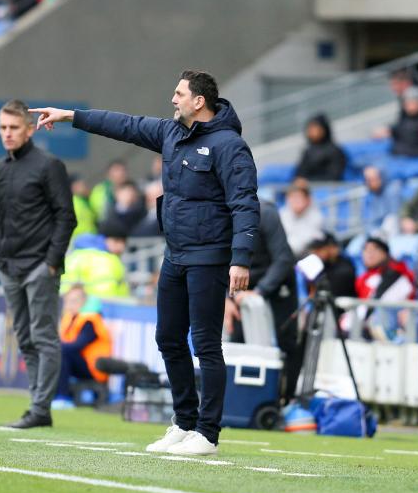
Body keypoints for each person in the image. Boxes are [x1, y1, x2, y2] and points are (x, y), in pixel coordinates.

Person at [31, 69, 259, 456]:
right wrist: (70, 115)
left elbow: (245, 203)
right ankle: (184, 422)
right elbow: (123, 125)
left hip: (209, 257)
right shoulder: (170, 133)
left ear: (198, 101)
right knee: (168, 338)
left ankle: (208, 433)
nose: (173, 99)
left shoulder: (229, 146)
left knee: (205, 344)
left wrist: (241, 259)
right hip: (175, 254)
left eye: (179, 93)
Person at [0, 99, 76, 429]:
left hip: (40, 266)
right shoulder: (1, 169)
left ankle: (41, 408)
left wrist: (52, 262)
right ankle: (35, 404)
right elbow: (0, 218)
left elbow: (66, 217)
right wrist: (0, 259)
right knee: (25, 338)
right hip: (10, 266)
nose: (8, 134)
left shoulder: (48, 166)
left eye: (14, 128)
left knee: (43, 337)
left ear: (30, 129)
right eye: (3, 128)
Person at [224, 199, 299, 404]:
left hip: (276, 283)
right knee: (238, 341)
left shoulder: (266, 213)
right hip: (240, 285)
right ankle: (240, 403)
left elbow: (283, 259)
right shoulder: (217, 213)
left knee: (284, 344)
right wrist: (226, 298)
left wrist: (260, 292)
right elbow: (217, 258)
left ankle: (285, 401)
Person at [55, 285, 112, 408]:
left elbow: (77, 346)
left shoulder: (90, 320)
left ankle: (62, 398)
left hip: (95, 368)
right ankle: (50, 395)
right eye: (68, 301)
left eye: (74, 301)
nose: (70, 304)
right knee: (54, 353)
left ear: (83, 302)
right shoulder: (69, 318)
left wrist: (53, 346)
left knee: (61, 352)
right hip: (81, 363)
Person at [60, 232, 130, 299]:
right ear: (106, 239)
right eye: (117, 241)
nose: (121, 247)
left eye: (123, 243)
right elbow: (106, 293)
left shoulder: (73, 256)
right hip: (99, 307)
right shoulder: (109, 260)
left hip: (66, 304)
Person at [293, 114, 347, 181]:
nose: (311, 131)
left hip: (327, 189)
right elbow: (299, 174)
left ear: (324, 129)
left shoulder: (335, 151)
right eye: (310, 128)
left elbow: (334, 176)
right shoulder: (307, 152)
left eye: (315, 128)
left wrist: (308, 183)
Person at [280, 177, 323, 259]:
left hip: (306, 258)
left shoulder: (316, 217)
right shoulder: (282, 215)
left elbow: (308, 241)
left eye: (298, 197)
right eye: (292, 197)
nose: (295, 201)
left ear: (308, 200)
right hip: (285, 258)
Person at [69, 173, 97, 240]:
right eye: (79, 184)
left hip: (90, 237)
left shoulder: (86, 200)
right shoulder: (71, 202)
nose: (84, 187)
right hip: (77, 239)